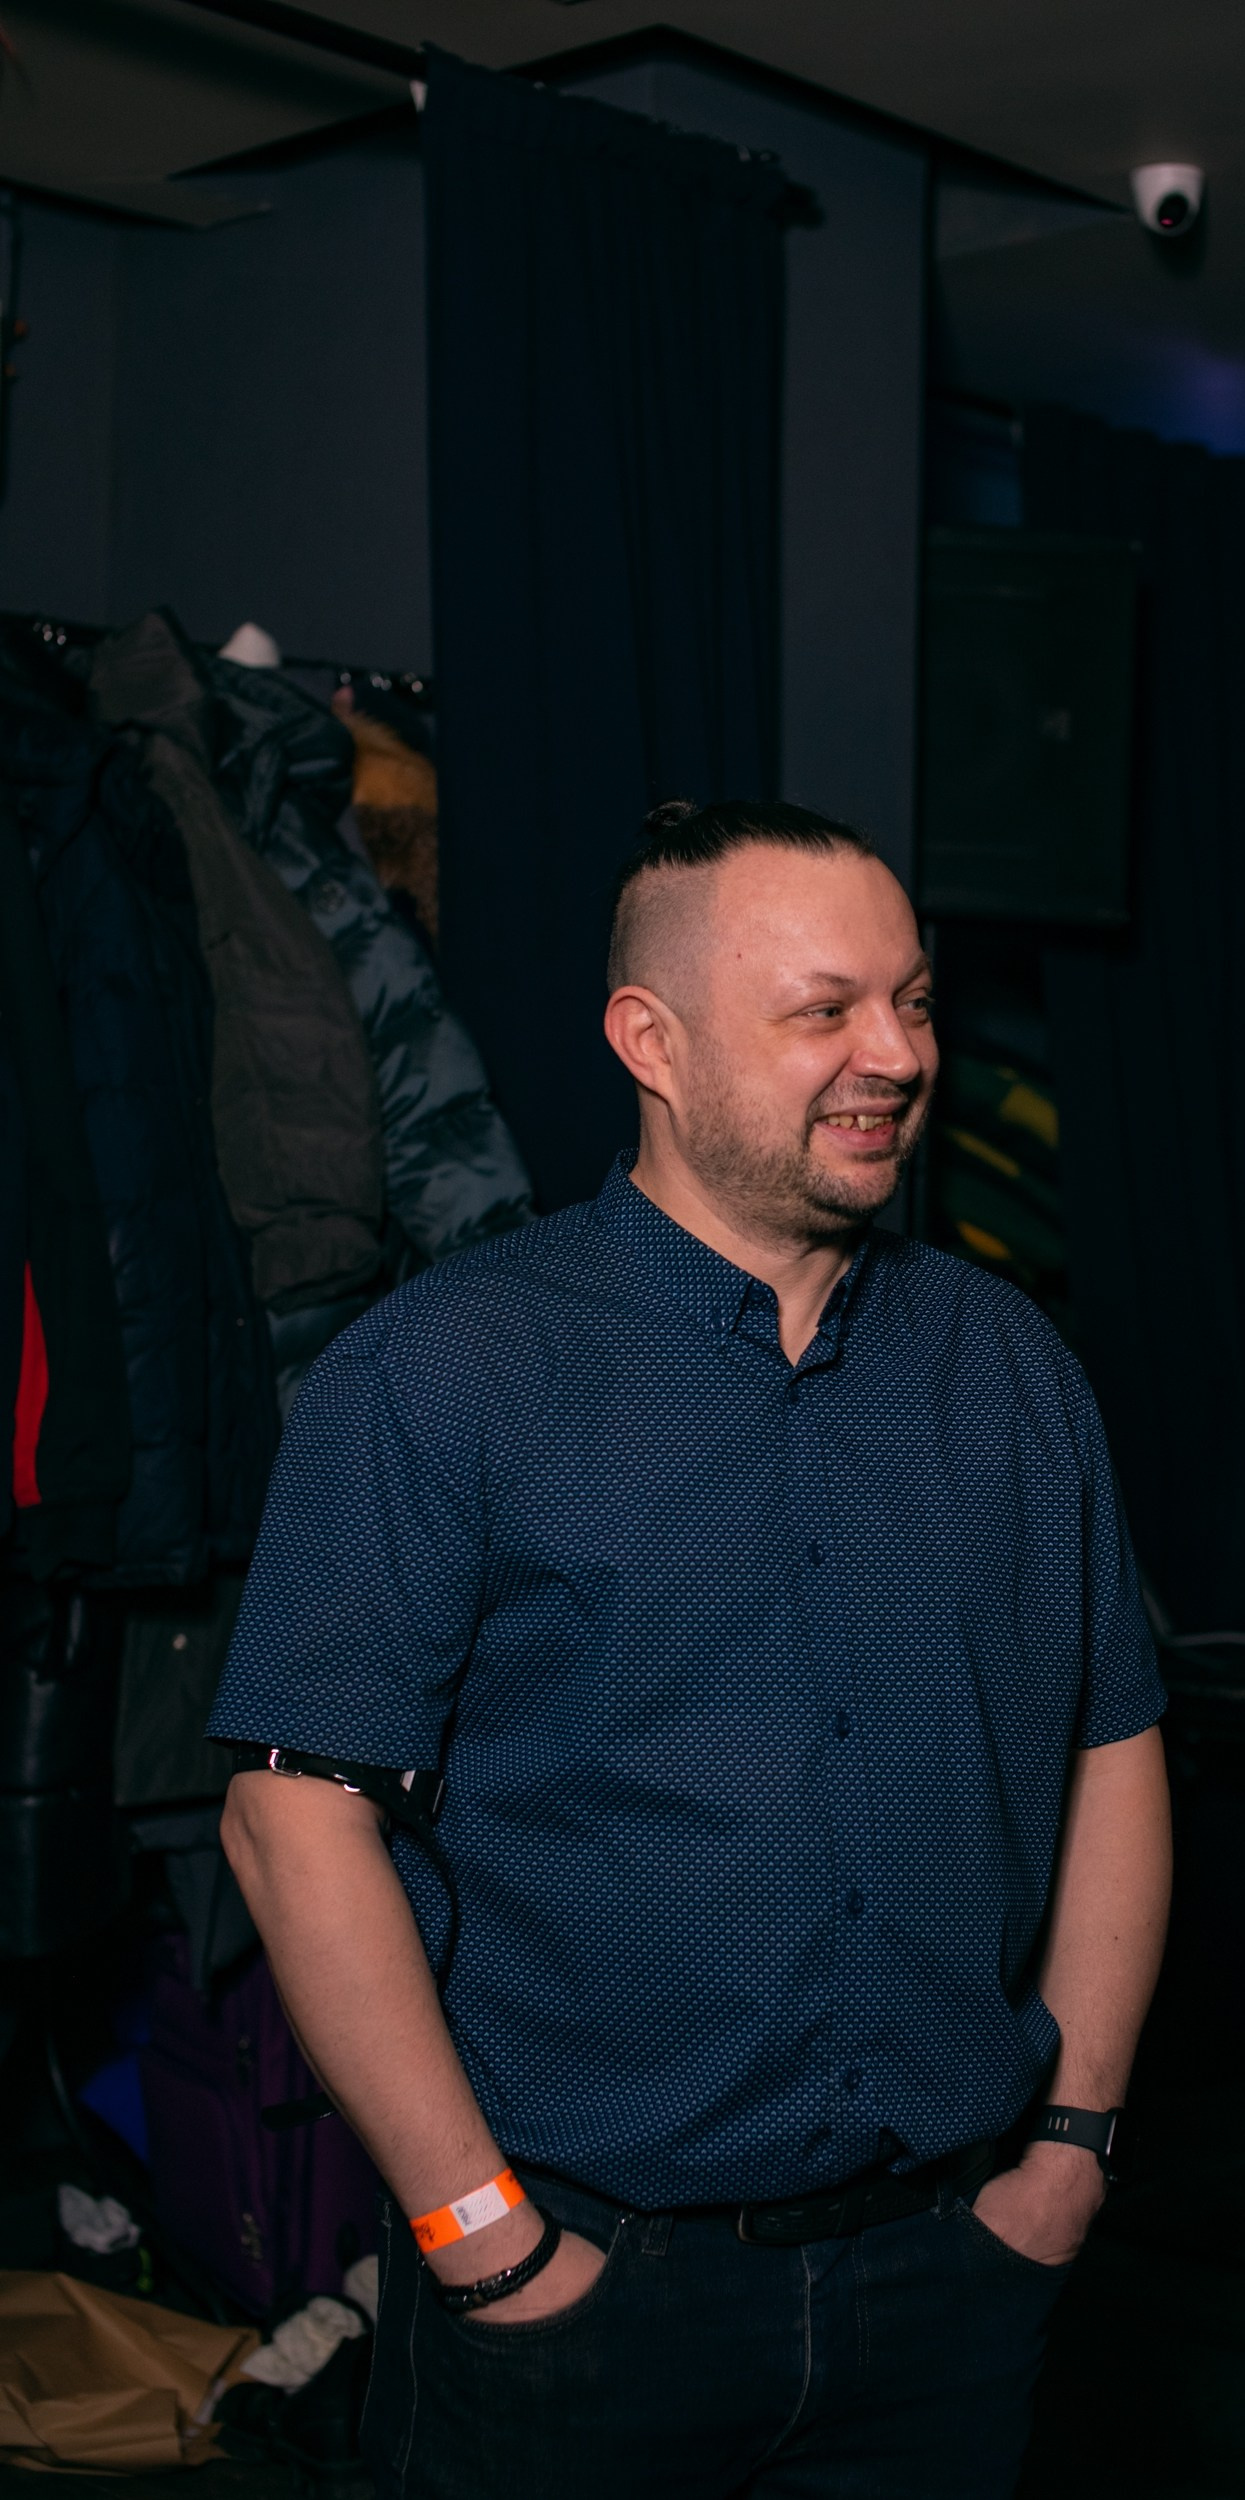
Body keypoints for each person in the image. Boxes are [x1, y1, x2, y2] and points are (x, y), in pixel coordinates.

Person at [211, 798, 1171, 2500]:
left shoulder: (1013, 1369)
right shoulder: (446, 1372)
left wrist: (1074, 2149)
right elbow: (293, 1825)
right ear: (649, 1042)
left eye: (913, 1000)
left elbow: (1116, 1741)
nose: (897, 1054)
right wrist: (481, 2238)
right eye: (825, 1010)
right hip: (578, 2302)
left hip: (950, 2282)